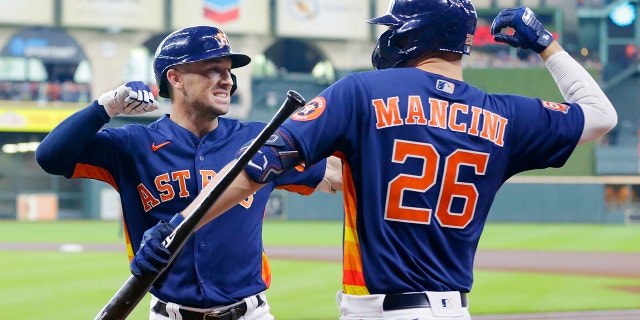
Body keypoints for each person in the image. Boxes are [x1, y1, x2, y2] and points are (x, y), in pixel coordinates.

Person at [135, 2, 618, 320]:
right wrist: (544, 43)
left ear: (411, 34)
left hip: (381, 309)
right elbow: (601, 116)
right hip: (453, 308)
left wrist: (178, 225)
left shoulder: (362, 92)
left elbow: (259, 167)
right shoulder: (504, 112)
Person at [35, 25, 342, 320]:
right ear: (176, 78)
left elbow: (334, 175)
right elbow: (51, 156)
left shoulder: (259, 140)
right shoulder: (133, 145)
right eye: (214, 70)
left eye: (229, 72)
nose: (228, 81)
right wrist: (106, 105)